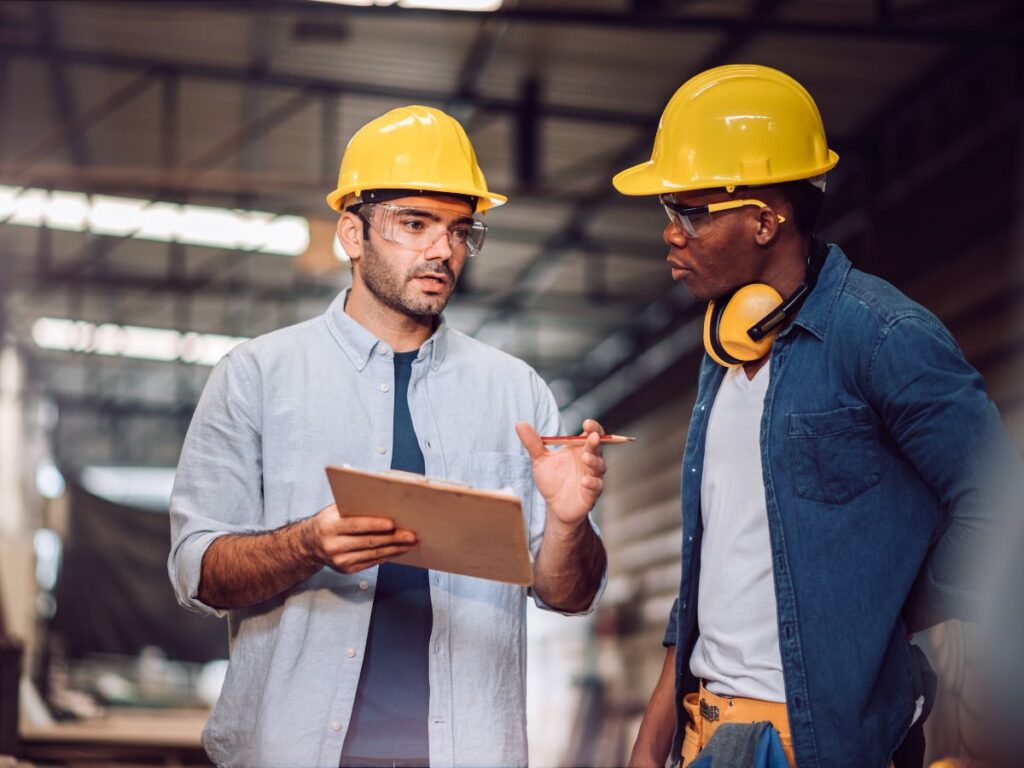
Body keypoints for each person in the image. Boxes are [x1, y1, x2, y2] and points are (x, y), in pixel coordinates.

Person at [168, 105, 608, 768]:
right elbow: (199, 572)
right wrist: (307, 544)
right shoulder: (256, 376)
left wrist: (569, 523)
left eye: (460, 230)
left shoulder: (515, 393)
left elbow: (569, 595)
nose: (443, 251)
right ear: (353, 233)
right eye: (415, 223)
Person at [612, 64, 1017, 768]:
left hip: (820, 743)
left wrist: (889, 609)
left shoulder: (882, 337)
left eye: (691, 212)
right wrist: (651, 745)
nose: (672, 235)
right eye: (668, 212)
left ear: (765, 220)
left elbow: (1001, 508)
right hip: (708, 733)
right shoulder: (723, 351)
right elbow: (710, 570)